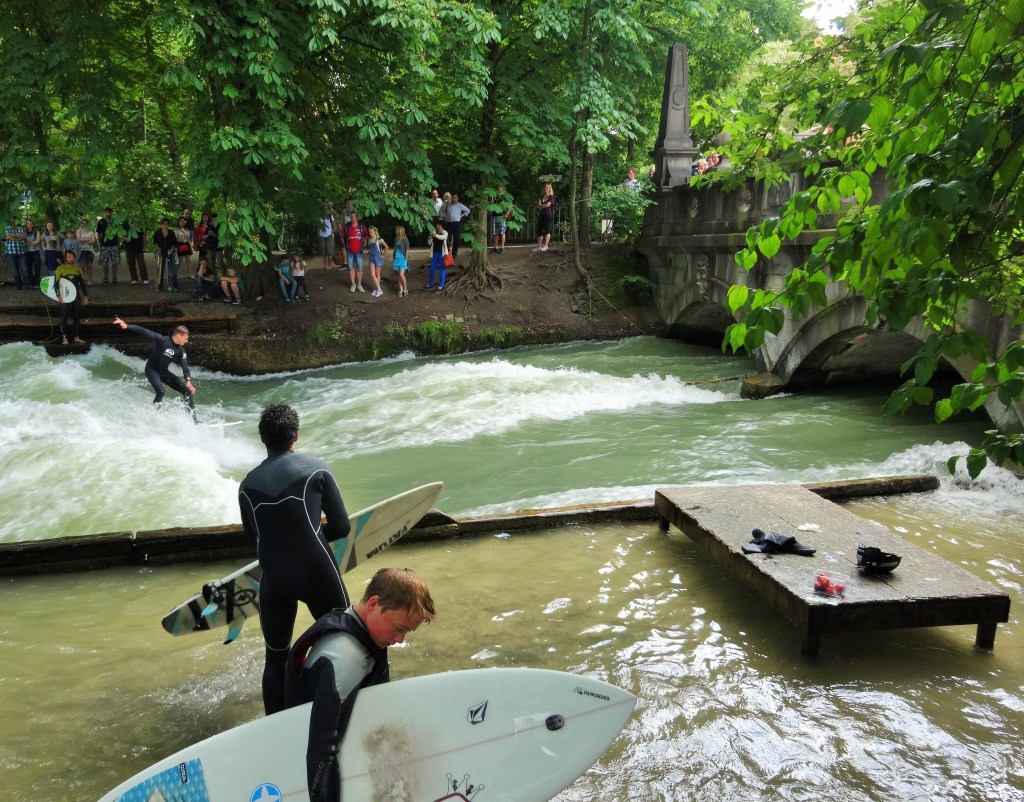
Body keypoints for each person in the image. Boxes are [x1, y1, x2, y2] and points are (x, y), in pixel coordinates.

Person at [238, 403, 353, 716]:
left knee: (275, 657)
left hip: (274, 579)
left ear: (264, 440)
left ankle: (276, 724)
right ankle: (347, 710)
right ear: (295, 436)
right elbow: (342, 527)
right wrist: (307, 542)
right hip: (317, 570)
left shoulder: (246, 486)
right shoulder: (316, 468)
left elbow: (257, 543)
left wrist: (285, 549)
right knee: (347, 639)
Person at [283, 567, 435, 802]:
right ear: (373, 603)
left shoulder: (362, 628)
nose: (400, 640)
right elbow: (321, 755)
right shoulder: (346, 659)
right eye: (399, 628)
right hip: (310, 758)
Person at [112, 316, 196, 418]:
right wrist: (126, 326)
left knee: (187, 391)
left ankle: (194, 420)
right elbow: (145, 331)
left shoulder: (181, 351)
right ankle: (156, 416)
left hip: (164, 372)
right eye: (185, 338)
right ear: (178, 335)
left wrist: (188, 380)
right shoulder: (162, 340)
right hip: (152, 370)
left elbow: (185, 366)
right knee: (160, 391)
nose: (186, 341)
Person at [54, 250, 89, 345]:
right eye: (69, 257)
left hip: (76, 296)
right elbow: (56, 283)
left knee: (77, 316)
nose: (71, 259)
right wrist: (58, 295)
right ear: (65, 258)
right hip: (64, 296)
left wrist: (85, 296)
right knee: (64, 316)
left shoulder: (78, 268)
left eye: (72, 257)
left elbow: (82, 284)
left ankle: (76, 337)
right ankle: (64, 337)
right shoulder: (60, 268)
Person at [342, 211, 368, 293]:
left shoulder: (361, 226)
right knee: (351, 268)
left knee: (360, 268)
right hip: (350, 251)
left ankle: (359, 284)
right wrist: (345, 245)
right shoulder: (346, 226)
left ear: (357, 217)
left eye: (354, 216)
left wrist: (365, 243)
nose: (352, 218)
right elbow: (342, 236)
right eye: (351, 216)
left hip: (359, 250)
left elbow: (366, 235)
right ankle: (353, 285)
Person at [153, 217, 179, 292]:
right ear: (161, 224)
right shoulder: (158, 232)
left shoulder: (171, 232)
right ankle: (159, 286)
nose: (165, 225)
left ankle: (173, 286)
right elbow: (154, 242)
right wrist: (157, 248)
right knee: (160, 270)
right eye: (164, 223)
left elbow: (175, 243)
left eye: (167, 224)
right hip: (161, 253)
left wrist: (172, 249)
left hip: (169, 253)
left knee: (171, 270)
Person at [96, 207, 121, 284]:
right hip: (104, 245)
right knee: (105, 263)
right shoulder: (101, 222)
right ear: (105, 213)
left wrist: (118, 243)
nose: (108, 213)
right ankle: (105, 277)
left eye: (110, 212)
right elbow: (99, 234)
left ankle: (114, 277)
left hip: (114, 244)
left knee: (115, 263)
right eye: (107, 212)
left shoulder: (115, 221)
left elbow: (119, 233)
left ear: (112, 213)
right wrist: (100, 244)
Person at [122, 217, 149, 284]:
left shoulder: (138, 225)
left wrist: (144, 246)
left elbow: (144, 237)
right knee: (131, 264)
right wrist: (126, 238)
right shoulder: (124, 225)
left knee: (141, 264)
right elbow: (120, 234)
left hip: (138, 248)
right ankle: (134, 278)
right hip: (129, 248)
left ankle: (145, 279)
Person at [443, 192, 471, 259]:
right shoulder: (448, 205)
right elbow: (442, 211)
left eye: (455, 197)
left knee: (456, 239)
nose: (453, 199)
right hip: (449, 224)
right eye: (452, 197)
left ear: (457, 199)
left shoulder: (460, 205)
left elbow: (468, 210)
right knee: (447, 239)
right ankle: (446, 253)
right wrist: (445, 218)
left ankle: (454, 254)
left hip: (456, 224)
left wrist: (461, 215)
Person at [5, 215, 29, 290]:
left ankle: (27, 284)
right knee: (14, 270)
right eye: (11, 219)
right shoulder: (6, 228)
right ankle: (18, 284)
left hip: (21, 252)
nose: (13, 220)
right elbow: (8, 237)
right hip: (11, 253)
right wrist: (18, 238)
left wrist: (13, 235)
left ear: (16, 220)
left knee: (25, 269)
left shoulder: (20, 228)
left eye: (14, 219)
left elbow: (23, 236)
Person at [426, 218, 449, 290]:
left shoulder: (445, 232)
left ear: (442, 226)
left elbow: (443, 237)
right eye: (437, 225)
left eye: (439, 225)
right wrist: (429, 238)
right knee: (432, 269)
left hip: (442, 254)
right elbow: (429, 243)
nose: (437, 226)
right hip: (435, 254)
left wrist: (435, 235)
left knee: (442, 269)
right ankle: (430, 283)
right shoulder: (434, 233)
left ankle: (441, 285)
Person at [366, 226, 388, 297]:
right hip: (371, 258)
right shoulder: (369, 240)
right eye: (369, 232)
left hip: (378, 257)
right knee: (372, 274)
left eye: (371, 232)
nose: (370, 233)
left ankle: (378, 290)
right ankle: (379, 289)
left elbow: (386, 247)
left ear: (375, 231)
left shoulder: (379, 239)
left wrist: (382, 254)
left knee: (377, 274)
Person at [533, 182, 555, 252]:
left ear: (549, 189)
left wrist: (541, 205)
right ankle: (538, 246)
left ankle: (546, 245)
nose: (546, 189)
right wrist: (542, 206)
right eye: (545, 187)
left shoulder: (551, 197)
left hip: (547, 215)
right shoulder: (541, 196)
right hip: (541, 214)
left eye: (547, 187)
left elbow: (547, 205)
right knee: (539, 230)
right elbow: (538, 205)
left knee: (547, 230)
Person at [489, 185, 510, 253]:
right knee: (495, 232)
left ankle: (502, 247)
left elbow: (510, 206)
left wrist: (506, 214)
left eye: (500, 188)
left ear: (503, 189)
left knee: (502, 232)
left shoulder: (505, 197)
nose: (499, 189)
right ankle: (495, 247)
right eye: (498, 188)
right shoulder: (494, 196)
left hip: (502, 216)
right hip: (494, 215)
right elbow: (491, 205)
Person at [76, 217, 97, 282]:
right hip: (81, 250)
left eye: (85, 223)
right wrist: (88, 240)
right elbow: (78, 239)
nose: (84, 224)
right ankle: (81, 280)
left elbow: (93, 241)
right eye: (82, 223)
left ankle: (89, 280)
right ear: (81, 224)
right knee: (82, 266)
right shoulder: (79, 231)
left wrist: (84, 241)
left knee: (89, 266)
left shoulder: (91, 232)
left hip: (90, 251)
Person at [23, 218, 42, 286]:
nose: (29, 225)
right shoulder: (24, 232)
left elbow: (38, 241)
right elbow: (23, 243)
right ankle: (31, 282)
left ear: (33, 224)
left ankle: (36, 282)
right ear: (26, 224)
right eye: (28, 224)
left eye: (31, 224)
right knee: (29, 267)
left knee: (37, 266)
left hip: (36, 251)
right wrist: (33, 242)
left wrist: (29, 242)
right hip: (27, 252)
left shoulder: (36, 231)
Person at [392, 225, 409, 297]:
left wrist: (406, 259)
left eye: (396, 230)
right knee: (399, 275)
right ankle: (401, 289)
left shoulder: (405, 239)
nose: (395, 231)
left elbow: (407, 250)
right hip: (397, 258)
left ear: (399, 231)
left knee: (402, 274)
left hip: (403, 259)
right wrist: (393, 257)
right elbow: (395, 249)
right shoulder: (396, 239)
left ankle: (405, 288)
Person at [318, 205, 336, 270]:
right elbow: (318, 225)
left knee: (329, 251)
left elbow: (334, 226)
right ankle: (325, 266)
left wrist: (331, 233)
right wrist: (318, 233)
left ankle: (330, 266)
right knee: (324, 251)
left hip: (329, 235)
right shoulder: (319, 217)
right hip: (321, 235)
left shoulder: (330, 216)